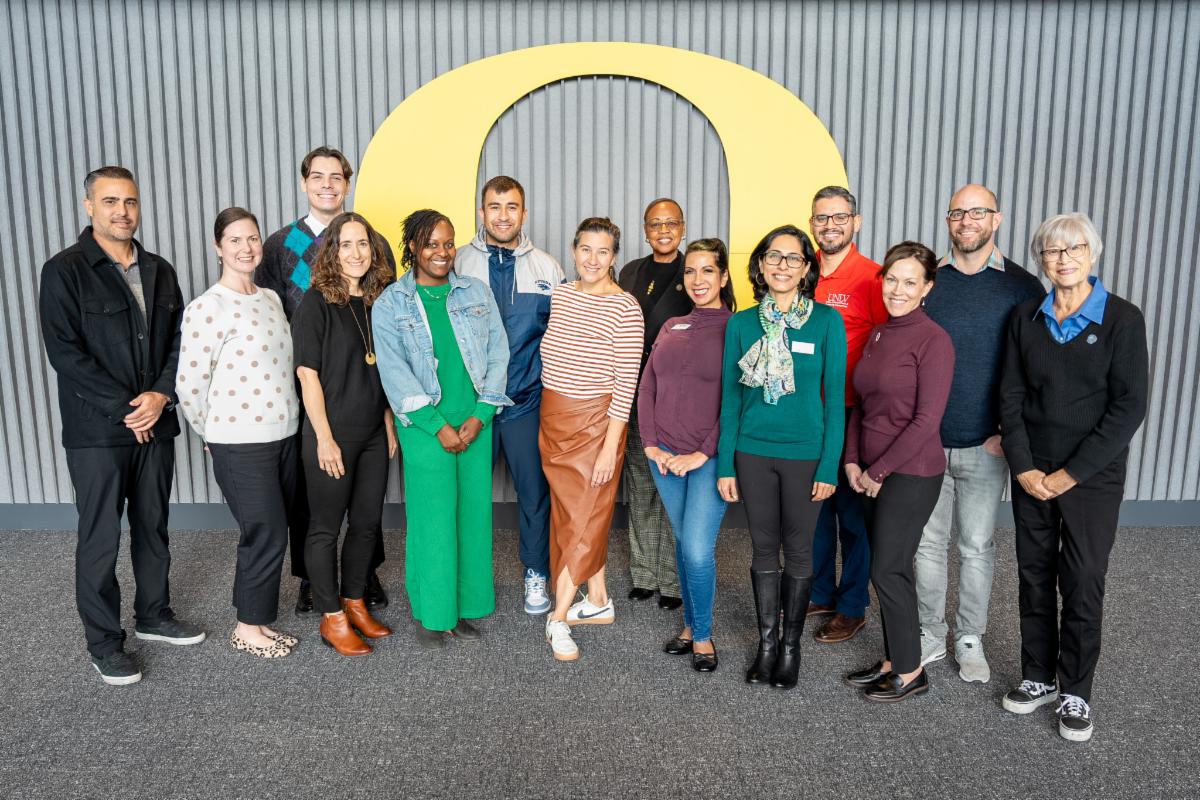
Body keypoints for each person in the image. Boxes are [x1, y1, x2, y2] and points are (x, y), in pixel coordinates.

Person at [40, 166, 205, 685]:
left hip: (155, 422)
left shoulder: (159, 270)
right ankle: (105, 643)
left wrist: (161, 395)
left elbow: (181, 341)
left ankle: (154, 615)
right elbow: (66, 353)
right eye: (110, 201)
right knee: (100, 536)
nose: (122, 211)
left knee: (153, 525)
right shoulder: (64, 271)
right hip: (98, 431)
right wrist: (127, 408)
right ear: (89, 206)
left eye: (130, 201)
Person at [999, 213, 1148, 742]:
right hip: (1032, 472)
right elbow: (1010, 396)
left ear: (1093, 252)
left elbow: (1129, 407)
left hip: (1091, 475)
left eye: (1074, 248)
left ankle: (1076, 690)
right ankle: (1039, 676)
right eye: (1052, 251)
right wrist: (1023, 465)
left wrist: (1071, 474)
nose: (1063, 259)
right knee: (1035, 574)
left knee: (1082, 579)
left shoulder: (1122, 319)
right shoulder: (1025, 317)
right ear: (1041, 259)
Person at [916, 184, 1045, 681]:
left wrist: (1008, 433)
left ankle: (969, 637)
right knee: (927, 546)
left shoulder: (1022, 288)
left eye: (977, 212)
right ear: (948, 220)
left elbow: (1036, 368)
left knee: (975, 546)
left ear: (997, 219)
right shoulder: (929, 281)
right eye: (957, 212)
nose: (966, 220)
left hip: (986, 446)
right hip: (927, 444)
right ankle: (929, 633)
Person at [255, 146, 388, 615]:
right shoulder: (281, 244)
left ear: (347, 184)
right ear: (304, 182)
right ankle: (314, 581)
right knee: (314, 499)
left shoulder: (371, 239)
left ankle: (362, 577)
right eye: (318, 176)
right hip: (307, 379)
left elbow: (384, 314)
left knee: (365, 502)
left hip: (362, 382)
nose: (327, 184)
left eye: (336, 177)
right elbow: (268, 314)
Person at [372, 210, 510, 650]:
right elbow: (394, 374)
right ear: (413, 246)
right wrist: (437, 426)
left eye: (448, 243)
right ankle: (433, 615)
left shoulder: (475, 292)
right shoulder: (391, 303)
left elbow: (498, 353)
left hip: (474, 423)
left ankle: (462, 608)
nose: (442, 252)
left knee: (472, 517)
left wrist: (481, 413)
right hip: (425, 427)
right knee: (433, 521)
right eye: (431, 244)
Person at [716, 225, 845, 690]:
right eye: (774, 256)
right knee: (763, 547)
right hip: (752, 452)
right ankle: (766, 645)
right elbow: (731, 400)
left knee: (800, 549)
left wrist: (829, 466)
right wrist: (726, 464)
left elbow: (835, 401)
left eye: (793, 258)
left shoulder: (827, 322)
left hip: (806, 456)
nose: (783, 265)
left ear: (806, 268)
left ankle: (791, 648)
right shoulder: (741, 323)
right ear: (761, 265)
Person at [176, 207, 301, 658]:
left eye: (252, 239)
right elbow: (189, 384)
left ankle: (257, 619)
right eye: (234, 240)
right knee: (265, 531)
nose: (246, 248)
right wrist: (211, 433)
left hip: (284, 433)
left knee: (274, 529)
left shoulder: (269, 299)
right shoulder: (207, 308)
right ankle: (247, 628)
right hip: (240, 440)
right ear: (218, 247)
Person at [842, 241, 954, 703]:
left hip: (911, 473)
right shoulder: (880, 334)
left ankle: (911, 670)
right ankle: (895, 659)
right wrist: (853, 459)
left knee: (889, 569)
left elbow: (926, 421)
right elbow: (861, 404)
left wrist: (879, 471)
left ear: (927, 288)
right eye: (892, 279)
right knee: (886, 569)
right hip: (871, 470)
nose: (898, 290)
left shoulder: (934, 340)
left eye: (910, 282)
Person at [454, 176, 565, 615]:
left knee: (534, 494)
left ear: (524, 212)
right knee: (467, 495)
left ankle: (536, 574)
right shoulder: (458, 261)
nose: (503, 216)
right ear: (482, 212)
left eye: (512, 207)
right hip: (473, 405)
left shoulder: (547, 267)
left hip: (525, 401)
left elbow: (560, 336)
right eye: (495, 207)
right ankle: (466, 579)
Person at [292, 212, 398, 656]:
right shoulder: (316, 303)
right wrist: (324, 437)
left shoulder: (379, 302)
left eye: (363, 244)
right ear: (332, 252)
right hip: (332, 434)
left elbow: (385, 369)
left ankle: (355, 602)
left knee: (367, 524)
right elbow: (307, 375)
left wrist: (388, 422)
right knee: (324, 528)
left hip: (373, 433)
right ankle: (332, 616)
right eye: (346, 244)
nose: (356, 253)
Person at [540, 217, 644, 662]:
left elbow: (626, 385)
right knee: (573, 515)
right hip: (554, 419)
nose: (593, 259)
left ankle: (559, 617)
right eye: (586, 249)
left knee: (581, 519)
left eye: (603, 252)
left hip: (595, 426)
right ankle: (597, 599)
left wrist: (608, 448)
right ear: (574, 249)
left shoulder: (626, 308)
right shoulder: (562, 295)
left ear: (614, 256)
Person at [639, 238, 735, 673]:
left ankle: (702, 634)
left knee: (696, 548)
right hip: (664, 457)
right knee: (683, 540)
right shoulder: (672, 325)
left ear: (724, 276)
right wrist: (650, 443)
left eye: (707, 270)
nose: (698, 279)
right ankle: (692, 624)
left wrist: (702, 453)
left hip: (708, 458)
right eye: (690, 271)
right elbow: (648, 385)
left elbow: (738, 401)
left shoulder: (737, 329)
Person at [807, 186, 888, 645]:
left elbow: (886, 345)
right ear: (812, 224)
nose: (830, 225)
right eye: (822, 218)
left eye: (839, 217)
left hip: (855, 413)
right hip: (809, 413)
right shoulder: (803, 272)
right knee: (815, 509)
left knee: (854, 517)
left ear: (856, 222)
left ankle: (852, 606)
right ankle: (820, 592)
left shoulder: (872, 277)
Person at [617, 198, 693, 609]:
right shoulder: (630, 272)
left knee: (672, 485)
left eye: (671, 223)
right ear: (645, 231)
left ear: (682, 228)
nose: (664, 230)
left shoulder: (695, 270)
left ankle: (672, 579)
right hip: (633, 390)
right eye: (655, 224)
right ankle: (644, 574)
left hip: (677, 395)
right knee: (640, 482)